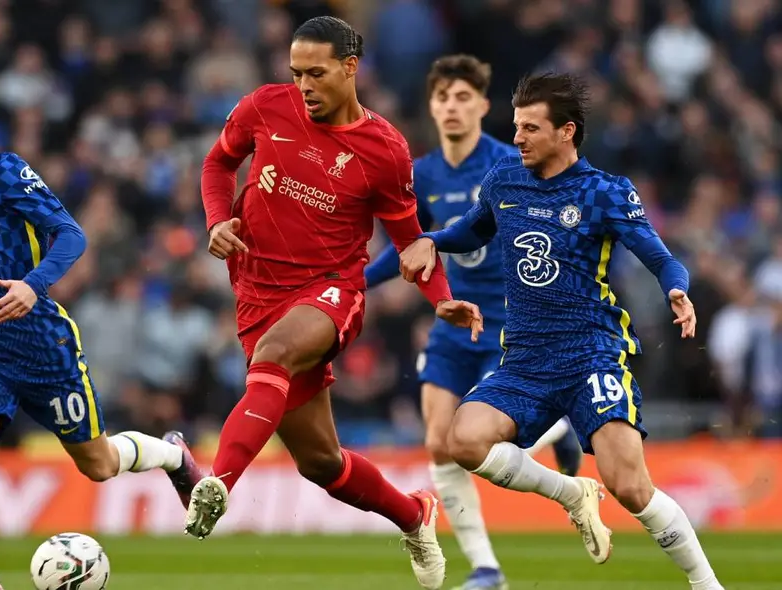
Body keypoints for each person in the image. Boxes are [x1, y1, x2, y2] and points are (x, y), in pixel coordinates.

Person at [399, 72, 723, 590]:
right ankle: (572, 493)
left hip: (590, 354)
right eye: (516, 126)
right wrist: (433, 240)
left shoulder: (604, 192)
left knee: (630, 486)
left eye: (530, 128)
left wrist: (677, 290)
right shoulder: (505, 179)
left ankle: (708, 586)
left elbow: (661, 258)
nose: (518, 137)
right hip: (525, 359)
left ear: (566, 131)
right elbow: (473, 231)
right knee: (464, 440)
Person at [0, 81, 203, 590]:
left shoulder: (2, 172)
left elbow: (72, 234)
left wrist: (33, 285)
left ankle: (174, 456)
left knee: (98, 463)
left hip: (42, 346)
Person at [195, 16, 483, 590]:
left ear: (350, 68)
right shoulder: (264, 107)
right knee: (321, 463)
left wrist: (442, 299)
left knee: (274, 355)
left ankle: (218, 483)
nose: (304, 85)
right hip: (256, 293)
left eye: (317, 73)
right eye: (297, 73)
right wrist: (217, 219)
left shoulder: (385, 149)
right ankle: (414, 514)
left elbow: (410, 242)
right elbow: (217, 162)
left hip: (330, 290)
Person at [364, 54, 583, 590]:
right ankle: (487, 569)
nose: (452, 107)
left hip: (512, 323)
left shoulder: (511, 163)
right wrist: (359, 281)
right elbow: (411, 246)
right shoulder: (422, 174)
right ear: (431, 107)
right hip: (455, 323)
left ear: (484, 106)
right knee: (440, 444)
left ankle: (558, 425)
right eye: (443, 98)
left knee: (483, 439)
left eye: (463, 97)